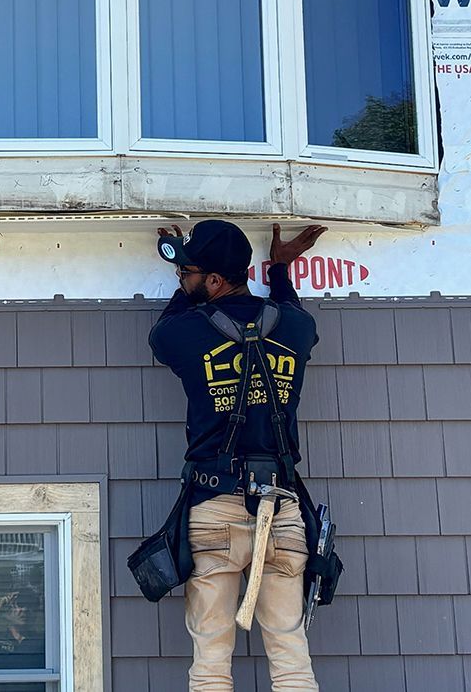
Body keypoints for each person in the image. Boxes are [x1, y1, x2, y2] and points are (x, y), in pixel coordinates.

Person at [149, 220, 327, 692]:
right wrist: (282, 271)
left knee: (210, 659)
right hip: (282, 509)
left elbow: (161, 335)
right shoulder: (295, 326)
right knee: (291, 654)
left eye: (187, 272)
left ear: (212, 280)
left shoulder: (184, 333)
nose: (181, 280)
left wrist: (189, 290)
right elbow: (292, 314)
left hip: (215, 505)